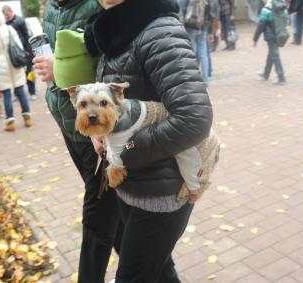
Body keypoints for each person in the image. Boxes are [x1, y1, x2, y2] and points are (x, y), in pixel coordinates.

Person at [85, 0, 212, 282]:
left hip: (162, 194)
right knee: (161, 272)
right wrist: (102, 132)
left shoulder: (158, 30)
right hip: (132, 186)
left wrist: (124, 151)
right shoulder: (112, 28)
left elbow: (195, 119)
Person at [33, 1, 122, 282]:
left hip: (99, 133)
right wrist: (49, 69)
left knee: (97, 215)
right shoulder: (51, 8)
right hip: (71, 127)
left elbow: (115, 66)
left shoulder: (100, 4)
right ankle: (153, 270)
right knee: (111, 210)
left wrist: (58, 69)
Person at [0, 11, 31, 132]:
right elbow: (19, 46)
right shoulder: (9, 28)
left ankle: (10, 122)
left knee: (6, 95)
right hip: (14, 62)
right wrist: (23, 63)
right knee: (20, 91)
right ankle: (27, 118)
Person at [2, 5, 37, 100]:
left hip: (25, 51)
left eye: (8, 14)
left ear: (11, 11)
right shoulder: (4, 23)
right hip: (13, 52)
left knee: (29, 72)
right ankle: (17, 94)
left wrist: (29, 51)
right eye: (5, 15)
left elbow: (27, 35)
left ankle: (32, 92)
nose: (7, 16)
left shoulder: (20, 20)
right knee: (15, 74)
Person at [179, 0, 217, 83]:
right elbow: (210, 15)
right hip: (203, 28)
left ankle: (193, 78)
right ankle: (205, 79)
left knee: (192, 53)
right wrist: (210, 32)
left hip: (190, 26)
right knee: (204, 55)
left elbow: (182, 11)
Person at [253, 0, 286, 84]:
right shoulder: (281, 4)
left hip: (270, 35)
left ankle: (281, 77)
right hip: (280, 33)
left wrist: (255, 39)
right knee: (272, 53)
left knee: (274, 54)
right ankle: (266, 74)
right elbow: (287, 19)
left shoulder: (267, 8)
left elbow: (261, 24)